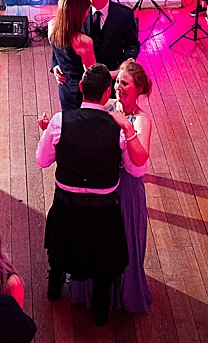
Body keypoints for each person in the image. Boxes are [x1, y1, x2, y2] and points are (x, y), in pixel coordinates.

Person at [36, 64, 147, 326]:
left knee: (59, 250)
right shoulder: (118, 130)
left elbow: (42, 161)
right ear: (108, 92)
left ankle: (54, 289)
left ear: (82, 88)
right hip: (104, 208)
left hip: (67, 204)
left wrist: (47, 134)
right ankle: (100, 309)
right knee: (103, 259)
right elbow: (134, 168)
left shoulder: (59, 121)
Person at [70, 61, 153, 314]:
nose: (118, 87)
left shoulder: (141, 120)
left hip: (125, 189)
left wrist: (125, 127)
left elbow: (139, 162)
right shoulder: (108, 107)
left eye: (124, 83)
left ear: (139, 90)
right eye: (118, 82)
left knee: (123, 241)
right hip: (102, 181)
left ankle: (123, 292)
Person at [48, 0, 97, 112]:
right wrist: (119, 72)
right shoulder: (84, 42)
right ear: (79, 13)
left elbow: (56, 52)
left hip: (65, 87)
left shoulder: (52, 27)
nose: (88, 12)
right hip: (81, 91)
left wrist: (55, 66)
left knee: (69, 120)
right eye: (87, 9)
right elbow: (92, 74)